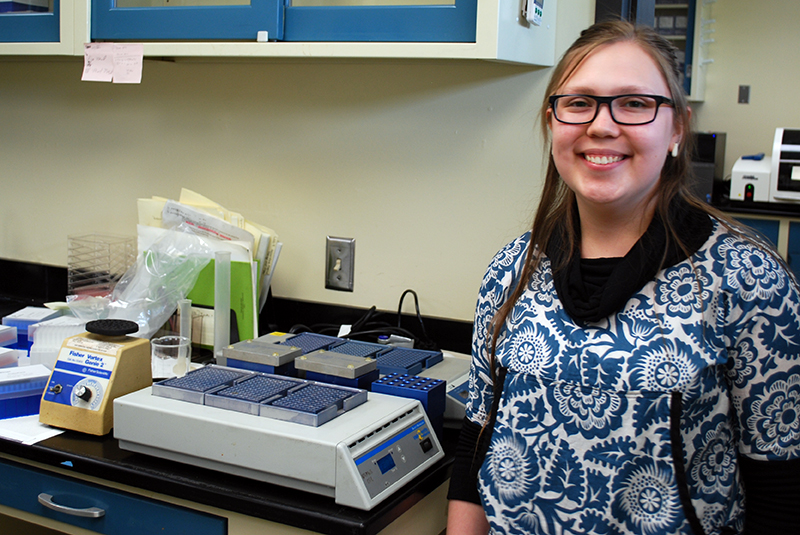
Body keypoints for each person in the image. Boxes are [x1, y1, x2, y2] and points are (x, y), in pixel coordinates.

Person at [446, 20, 800, 535]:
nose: (602, 126)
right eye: (579, 102)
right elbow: (476, 441)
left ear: (677, 127)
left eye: (634, 103)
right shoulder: (512, 270)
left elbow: (782, 492)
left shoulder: (747, 280)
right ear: (552, 121)